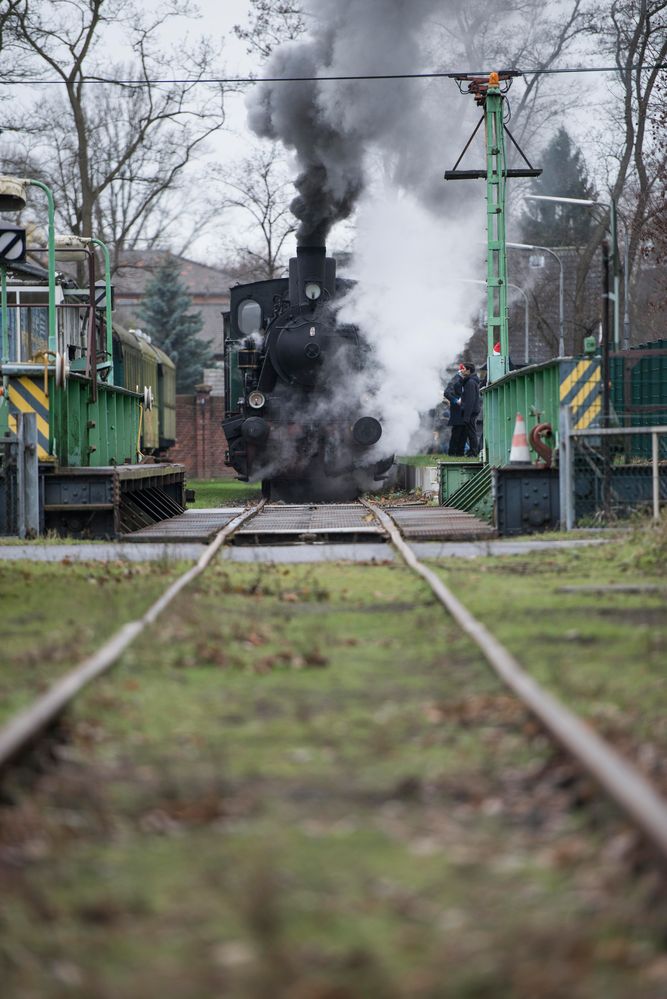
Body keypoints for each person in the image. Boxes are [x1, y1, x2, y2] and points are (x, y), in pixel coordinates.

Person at [460, 362, 481, 457]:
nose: (461, 370)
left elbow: (470, 400)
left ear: (468, 370)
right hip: (472, 410)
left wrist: (467, 415)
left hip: (471, 411)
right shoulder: (470, 381)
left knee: (471, 432)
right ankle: (472, 451)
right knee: (470, 431)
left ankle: (474, 451)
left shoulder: (470, 383)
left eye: (463, 368)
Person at [443, 365, 466, 456]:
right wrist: (456, 401)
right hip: (458, 411)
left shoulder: (462, 379)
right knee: (457, 434)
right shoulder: (455, 379)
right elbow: (446, 393)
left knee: (463, 433)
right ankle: (452, 453)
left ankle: (459, 453)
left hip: (462, 411)